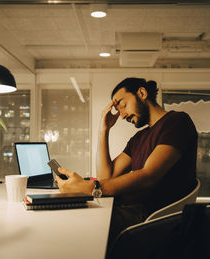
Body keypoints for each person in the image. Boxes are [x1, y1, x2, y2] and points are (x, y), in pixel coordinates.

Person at [56, 77, 198, 248]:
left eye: (122, 105)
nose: (122, 116)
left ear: (142, 93)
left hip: (152, 216)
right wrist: (104, 130)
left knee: (75, 224)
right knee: (70, 216)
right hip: (134, 210)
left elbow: (149, 175)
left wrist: (90, 188)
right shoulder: (138, 138)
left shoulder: (177, 122)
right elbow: (106, 176)